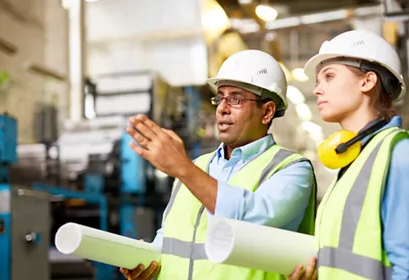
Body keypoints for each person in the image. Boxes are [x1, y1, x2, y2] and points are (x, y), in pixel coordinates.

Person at [120, 49, 317, 280]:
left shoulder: (291, 169)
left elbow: (256, 220)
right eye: (220, 97)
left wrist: (183, 168)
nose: (222, 108)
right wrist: (148, 262)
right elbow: (172, 239)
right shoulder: (197, 166)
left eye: (236, 99)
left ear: (267, 112)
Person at [287, 30, 409, 280]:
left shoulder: (400, 151)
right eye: (318, 81)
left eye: (329, 77)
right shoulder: (353, 164)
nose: (317, 90)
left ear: (367, 81)